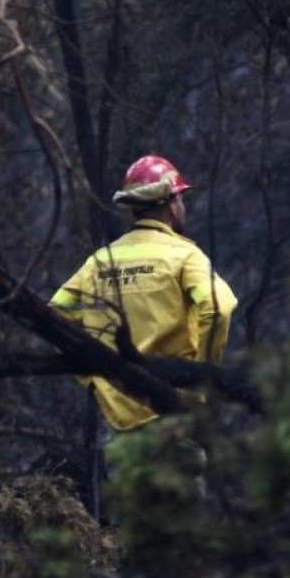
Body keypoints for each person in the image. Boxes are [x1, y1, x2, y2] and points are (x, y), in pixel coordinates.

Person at [51, 155, 238, 431]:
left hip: (118, 418)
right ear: (172, 206)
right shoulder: (184, 256)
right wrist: (200, 385)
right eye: (180, 199)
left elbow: (55, 312)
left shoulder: (99, 261)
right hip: (174, 415)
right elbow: (219, 308)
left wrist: (93, 376)